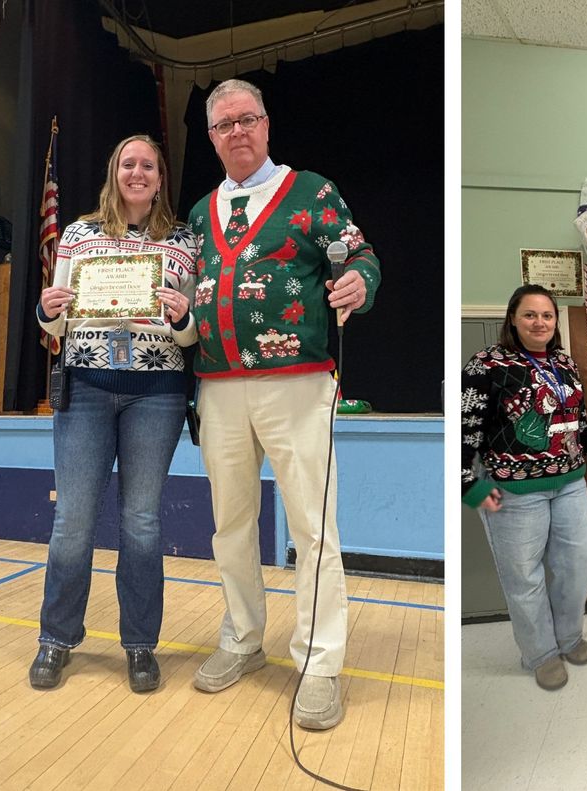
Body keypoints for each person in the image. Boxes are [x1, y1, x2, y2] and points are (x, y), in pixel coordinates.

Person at [187, 79, 380, 731]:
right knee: (230, 523)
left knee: (312, 527)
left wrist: (360, 281)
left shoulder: (312, 192)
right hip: (217, 386)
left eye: (248, 119)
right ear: (211, 137)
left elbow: (359, 256)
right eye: (223, 124)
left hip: (297, 382)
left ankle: (320, 664)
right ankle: (243, 637)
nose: (237, 131)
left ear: (267, 126)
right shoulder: (197, 214)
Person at [31, 134, 198, 692]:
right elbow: (55, 325)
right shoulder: (77, 235)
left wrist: (180, 317)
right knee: (72, 524)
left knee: (142, 524)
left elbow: (193, 331)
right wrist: (47, 308)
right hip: (87, 389)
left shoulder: (182, 240)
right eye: (129, 163)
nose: (137, 172)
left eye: (148, 165)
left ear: (159, 177)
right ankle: (55, 639)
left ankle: (140, 645)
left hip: (158, 394)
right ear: (114, 171)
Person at [461, 284, 587, 691]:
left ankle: (569, 638)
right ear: (512, 318)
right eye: (530, 314)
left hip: (570, 485)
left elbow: (578, 422)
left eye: (547, 315)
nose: (539, 322)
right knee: (524, 579)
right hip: (513, 493)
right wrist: (467, 485)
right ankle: (541, 654)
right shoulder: (485, 365)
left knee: (578, 568)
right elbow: (465, 429)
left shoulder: (564, 362)